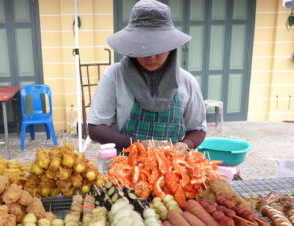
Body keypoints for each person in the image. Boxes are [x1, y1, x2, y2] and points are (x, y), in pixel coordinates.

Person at [87, 0, 207, 153]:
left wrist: (187, 143)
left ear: (171, 47)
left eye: (159, 47)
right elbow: (95, 128)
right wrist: (133, 144)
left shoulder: (187, 81)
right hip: (122, 168)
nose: (151, 56)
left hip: (171, 170)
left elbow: (198, 129)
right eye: (143, 47)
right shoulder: (114, 76)